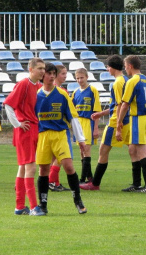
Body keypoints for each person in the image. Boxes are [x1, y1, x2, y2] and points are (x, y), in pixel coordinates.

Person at [33, 63, 87, 215]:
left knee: (69, 166)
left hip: (60, 134)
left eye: (53, 73)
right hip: (43, 135)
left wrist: (80, 139)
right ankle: (43, 204)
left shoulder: (62, 94)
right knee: (43, 169)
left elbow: (73, 118)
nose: (51, 76)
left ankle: (78, 200)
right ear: (42, 76)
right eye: (48, 73)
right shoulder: (36, 95)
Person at [80, 55, 131, 191]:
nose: (107, 69)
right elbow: (117, 105)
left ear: (113, 67)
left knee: (103, 150)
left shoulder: (117, 82)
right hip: (126, 120)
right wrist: (101, 114)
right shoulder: (125, 80)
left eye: (108, 67)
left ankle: (94, 183)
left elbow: (120, 106)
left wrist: (118, 127)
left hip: (116, 122)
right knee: (135, 150)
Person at [4, 58, 45, 216]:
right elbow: (8, 104)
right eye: (39, 68)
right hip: (26, 129)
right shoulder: (24, 84)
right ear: (31, 69)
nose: (42, 71)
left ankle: (20, 206)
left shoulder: (39, 86)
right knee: (31, 167)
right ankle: (34, 207)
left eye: (43, 68)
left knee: (23, 167)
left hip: (34, 128)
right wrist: (17, 124)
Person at [116, 55, 146, 193]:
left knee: (142, 152)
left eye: (125, 66)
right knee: (132, 150)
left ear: (130, 66)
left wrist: (119, 123)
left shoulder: (132, 82)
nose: (125, 68)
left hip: (138, 118)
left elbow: (125, 104)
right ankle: (137, 184)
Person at [71, 67, 101, 184]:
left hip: (88, 122)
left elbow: (96, 111)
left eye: (81, 77)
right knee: (81, 149)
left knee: (86, 149)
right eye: (77, 78)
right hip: (78, 123)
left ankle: (82, 179)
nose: (79, 80)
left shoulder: (92, 90)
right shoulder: (75, 92)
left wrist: (96, 128)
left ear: (87, 77)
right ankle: (90, 177)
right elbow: (72, 109)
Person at [48, 64, 71, 192]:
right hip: (60, 127)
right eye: (63, 73)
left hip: (52, 128)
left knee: (54, 157)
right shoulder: (60, 91)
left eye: (66, 73)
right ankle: (51, 180)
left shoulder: (58, 89)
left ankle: (56, 183)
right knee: (61, 156)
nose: (65, 76)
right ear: (55, 75)